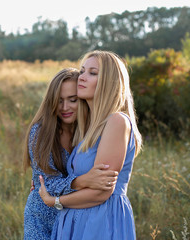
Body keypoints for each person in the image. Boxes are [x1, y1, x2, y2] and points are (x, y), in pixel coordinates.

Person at [39, 50, 143, 240]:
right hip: (78, 221)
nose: (82, 77)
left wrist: (54, 201)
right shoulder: (89, 128)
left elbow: (100, 193)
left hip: (100, 221)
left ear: (110, 82)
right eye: (83, 70)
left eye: (92, 73)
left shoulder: (117, 121)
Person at [23, 68, 119, 240]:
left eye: (72, 100)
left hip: (77, 217)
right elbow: (46, 186)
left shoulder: (90, 131)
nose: (65, 107)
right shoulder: (41, 132)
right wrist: (82, 181)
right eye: (59, 101)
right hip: (43, 217)